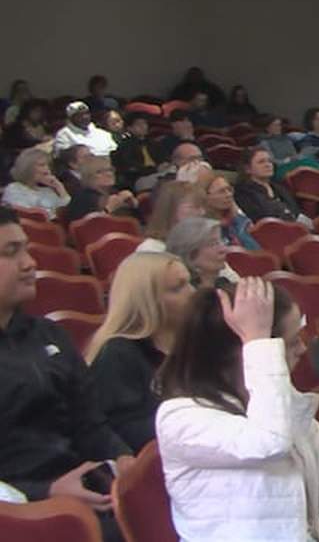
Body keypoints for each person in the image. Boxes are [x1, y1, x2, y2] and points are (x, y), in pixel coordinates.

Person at [156, 274, 319, 542]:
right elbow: (269, 442)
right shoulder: (179, 418)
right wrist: (258, 341)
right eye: (289, 343)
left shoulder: (280, 398)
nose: (303, 349)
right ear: (245, 353)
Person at [0, 206, 134, 540]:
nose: (29, 263)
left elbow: (89, 423)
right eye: (10, 252)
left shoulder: (48, 335)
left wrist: (123, 458)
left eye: (26, 249)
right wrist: (46, 491)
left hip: (80, 488)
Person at [82, 252, 191, 453]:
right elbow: (128, 431)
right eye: (178, 288)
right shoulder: (117, 354)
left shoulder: (195, 343)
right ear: (147, 300)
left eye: (190, 283)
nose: (192, 293)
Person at [233, 147, 307, 224]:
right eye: (261, 162)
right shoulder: (243, 192)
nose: (268, 165)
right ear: (247, 169)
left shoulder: (280, 188)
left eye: (269, 161)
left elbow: (297, 213)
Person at [164, 217, 238, 289]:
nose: (223, 249)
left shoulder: (224, 284)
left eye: (222, 241)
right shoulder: (185, 296)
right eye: (212, 244)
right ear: (190, 256)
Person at [63, 156, 137, 224]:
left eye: (110, 170)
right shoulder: (82, 198)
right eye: (99, 172)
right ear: (88, 176)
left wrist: (133, 205)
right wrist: (109, 208)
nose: (109, 174)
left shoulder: (114, 192)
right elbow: (86, 228)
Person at [200, 173, 260, 251]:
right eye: (222, 191)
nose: (228, 194)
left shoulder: (240, 221)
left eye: (229, 189)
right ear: (206, 197)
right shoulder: (204, 229)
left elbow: (256, 249)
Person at [3, 148, 70, 216]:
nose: (47, 169)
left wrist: (60, 187)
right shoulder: (14, 189)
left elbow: (66, 213)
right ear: (28, 167)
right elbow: (23, 215)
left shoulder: (47, 191)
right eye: (42, 165)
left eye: (48, 165)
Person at [139, 181, 204, 252]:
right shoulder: (151, 248)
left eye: (202, 206)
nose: (203, 212)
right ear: (172, 209)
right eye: (195, 206)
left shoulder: (200, 242)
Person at [112, 112, 158, 188]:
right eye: (139, 124)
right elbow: (130, 165)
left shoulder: (153, 143)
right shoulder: (125, 145)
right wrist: (151, 169)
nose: (143, 127)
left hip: (157, 174)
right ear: (129, 128)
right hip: (140, 178)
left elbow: (162, 157)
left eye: (145, 124)